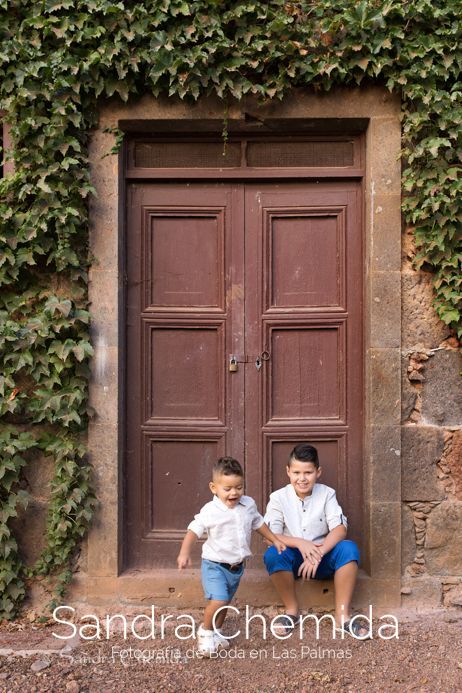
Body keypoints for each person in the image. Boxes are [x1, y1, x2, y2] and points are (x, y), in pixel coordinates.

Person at [177, 456, 286, 656]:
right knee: (218, 600)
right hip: (214, 565)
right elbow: (194, 530)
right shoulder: (210, 510)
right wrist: (184, 552)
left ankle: (216, 632)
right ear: (214, 488)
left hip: (236, 567)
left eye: (239, 487)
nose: (234, 492)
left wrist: (274, 539)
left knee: (224, 602)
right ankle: (205, 632)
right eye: (227, 489)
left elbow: (258, 523)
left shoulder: (248, 505)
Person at [263, 442, 368, 638]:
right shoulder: (278, 498)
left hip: (323, 556)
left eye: (308, 473)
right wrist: (302, 544)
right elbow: (271, 536)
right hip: (294, 559)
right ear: (288, 472)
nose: (302, 479)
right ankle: (292, 611)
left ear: (318, 472)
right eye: (296, 473)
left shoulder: (327, 494)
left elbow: (339, 529)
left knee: (349, 549)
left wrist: (318, 552)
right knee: (273, 553)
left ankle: (343, 616)